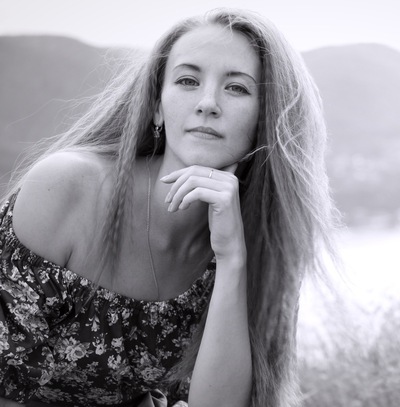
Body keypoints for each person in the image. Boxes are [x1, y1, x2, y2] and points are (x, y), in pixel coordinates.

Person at [0, 7, 337, 407]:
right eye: (187, 81)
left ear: (267, 117)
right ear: (157, 106)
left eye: (237, 88)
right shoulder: (65, 187)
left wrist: (232, 260)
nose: (208, 103)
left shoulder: (265, 240)